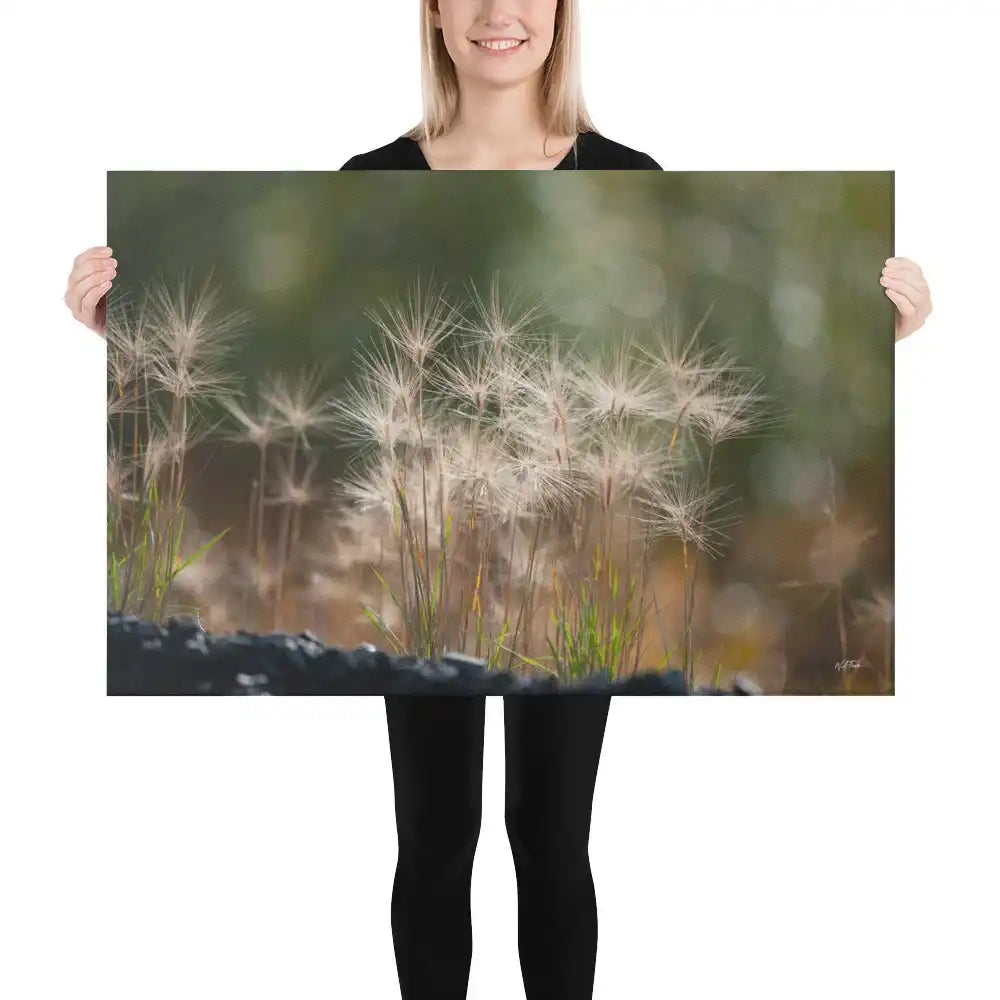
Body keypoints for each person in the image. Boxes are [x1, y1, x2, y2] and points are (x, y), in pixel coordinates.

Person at [67, 3, 933, 997]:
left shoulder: (628, 173)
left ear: (563, 14)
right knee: (435, 839)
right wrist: (116, 333)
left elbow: (722, 374)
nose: (496, 13)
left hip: (562, 597)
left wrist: (890, 334)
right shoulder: (369, 181)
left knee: (550, 839)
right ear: (431, 15)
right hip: (439, 581)